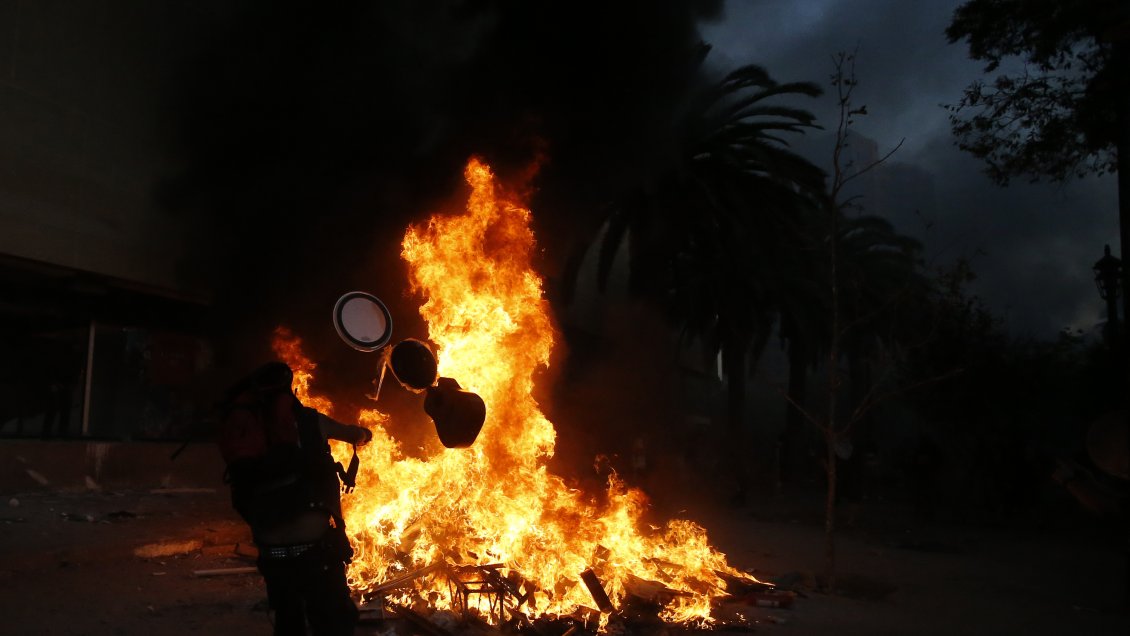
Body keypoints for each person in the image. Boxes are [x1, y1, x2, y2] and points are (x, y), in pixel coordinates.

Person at [218, 361, 373, 636]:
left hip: (271, 554)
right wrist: (364, 434)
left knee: (289, 622)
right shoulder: (310, 421)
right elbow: (355, 435)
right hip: (315, 551)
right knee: (334, 622)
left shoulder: (244, 431)